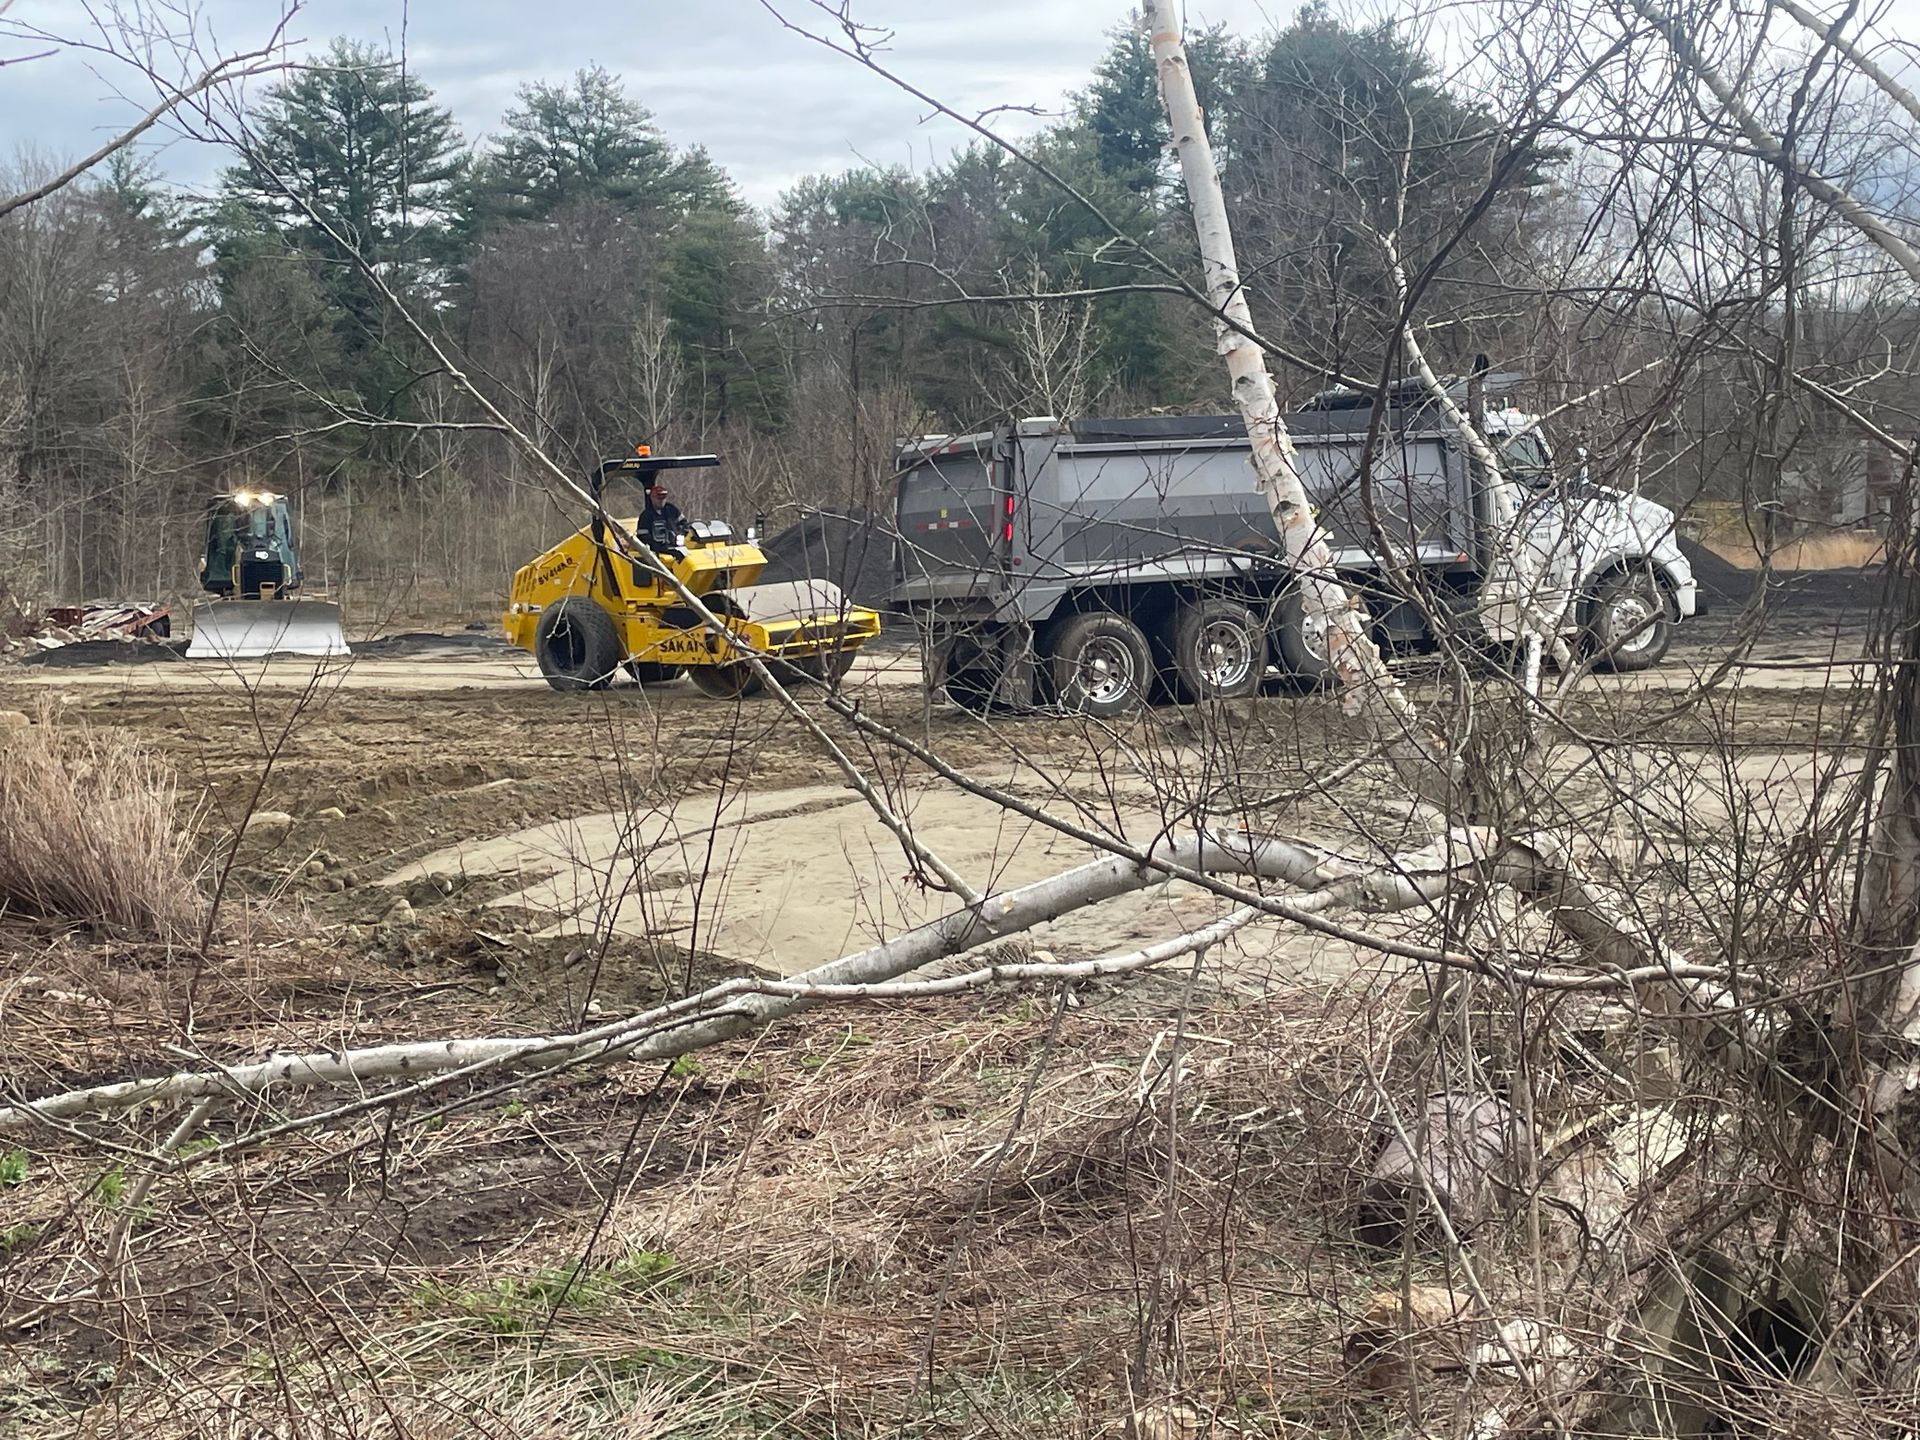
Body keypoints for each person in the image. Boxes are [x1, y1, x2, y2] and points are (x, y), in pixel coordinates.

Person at [639, 479, 687, 558]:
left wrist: (681, 533)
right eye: (658, 498)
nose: (661, 500)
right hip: (657, 552)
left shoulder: (672, 510)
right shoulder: (646, 516)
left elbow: (684, 523)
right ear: (652, 498)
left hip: (676, 547)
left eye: (664, 497)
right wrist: (656, 547)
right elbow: (643, 537)